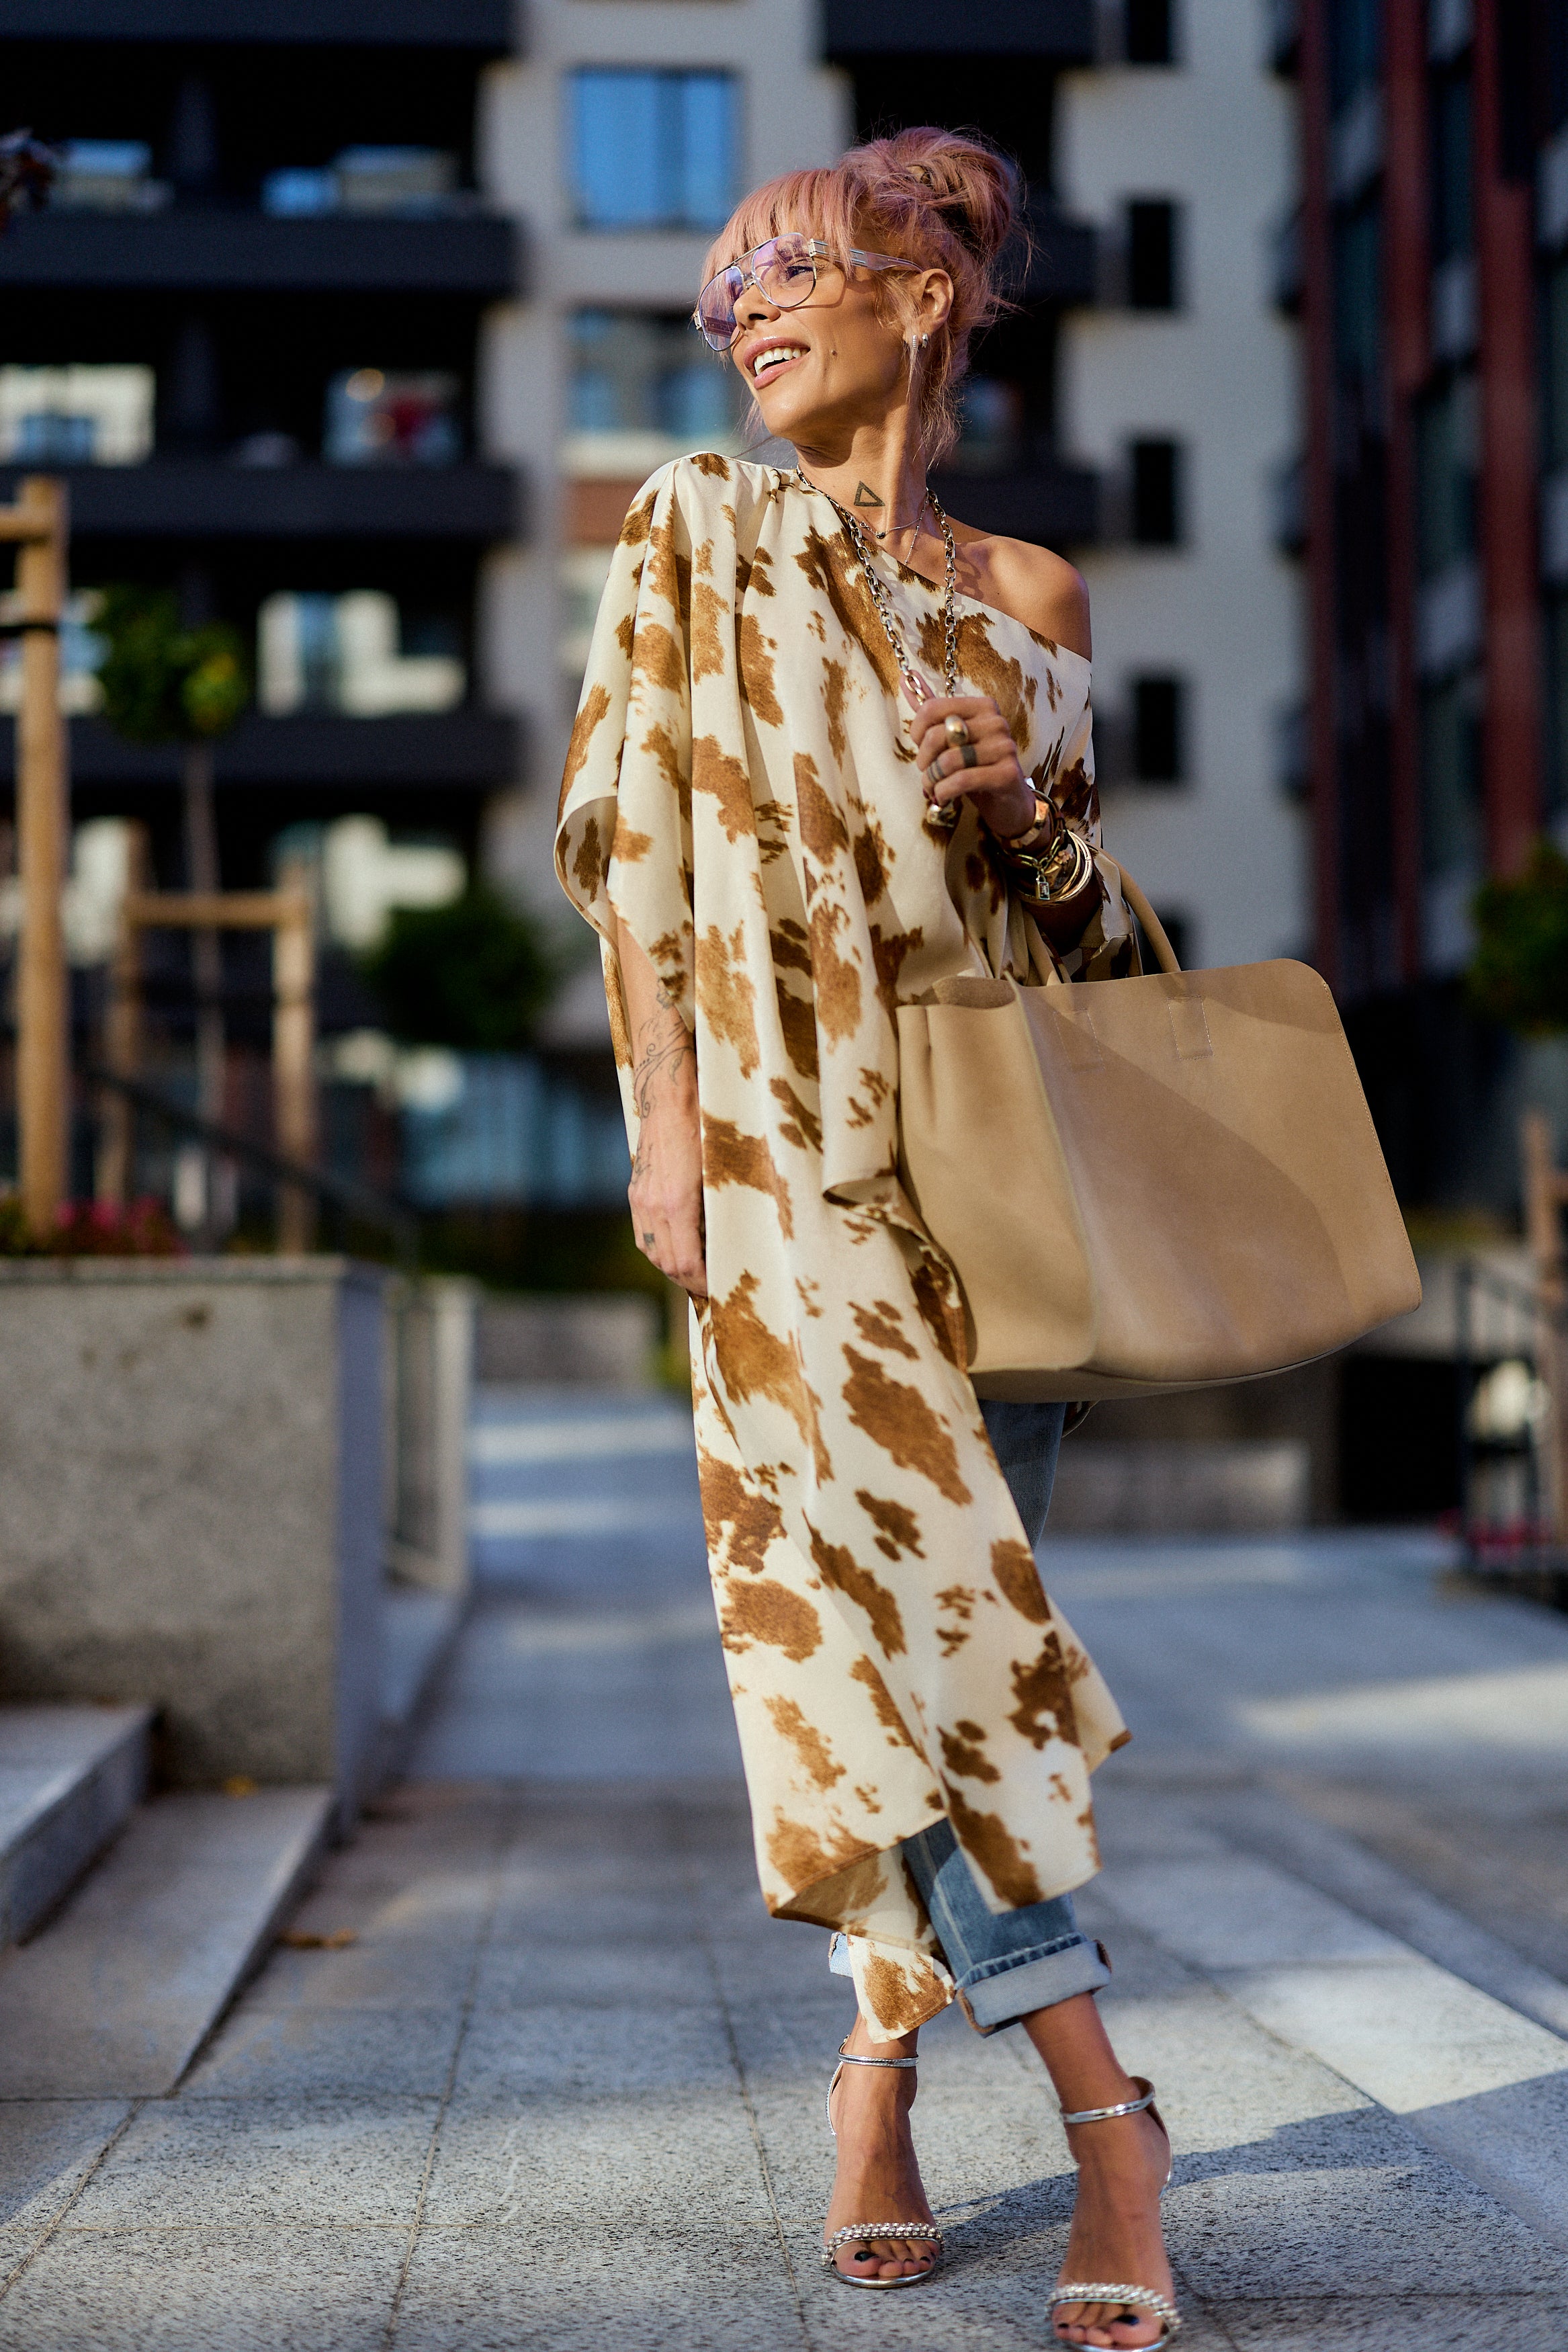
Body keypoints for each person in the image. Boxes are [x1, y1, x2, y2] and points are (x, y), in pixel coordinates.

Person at [556, 127, 1178, 2350]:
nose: (741, 312)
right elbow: (632, 866)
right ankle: (1113, 2117)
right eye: (725, 292)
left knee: (915, 1653)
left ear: (928, 299)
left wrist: (1018, 802)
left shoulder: (1028, 601)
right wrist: (670, 1135)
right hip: (783, 1176)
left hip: (994, 1181)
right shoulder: (691, 534)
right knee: (902, 1646)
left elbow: (1102, 949)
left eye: (789, 268)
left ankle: (877, 2068)